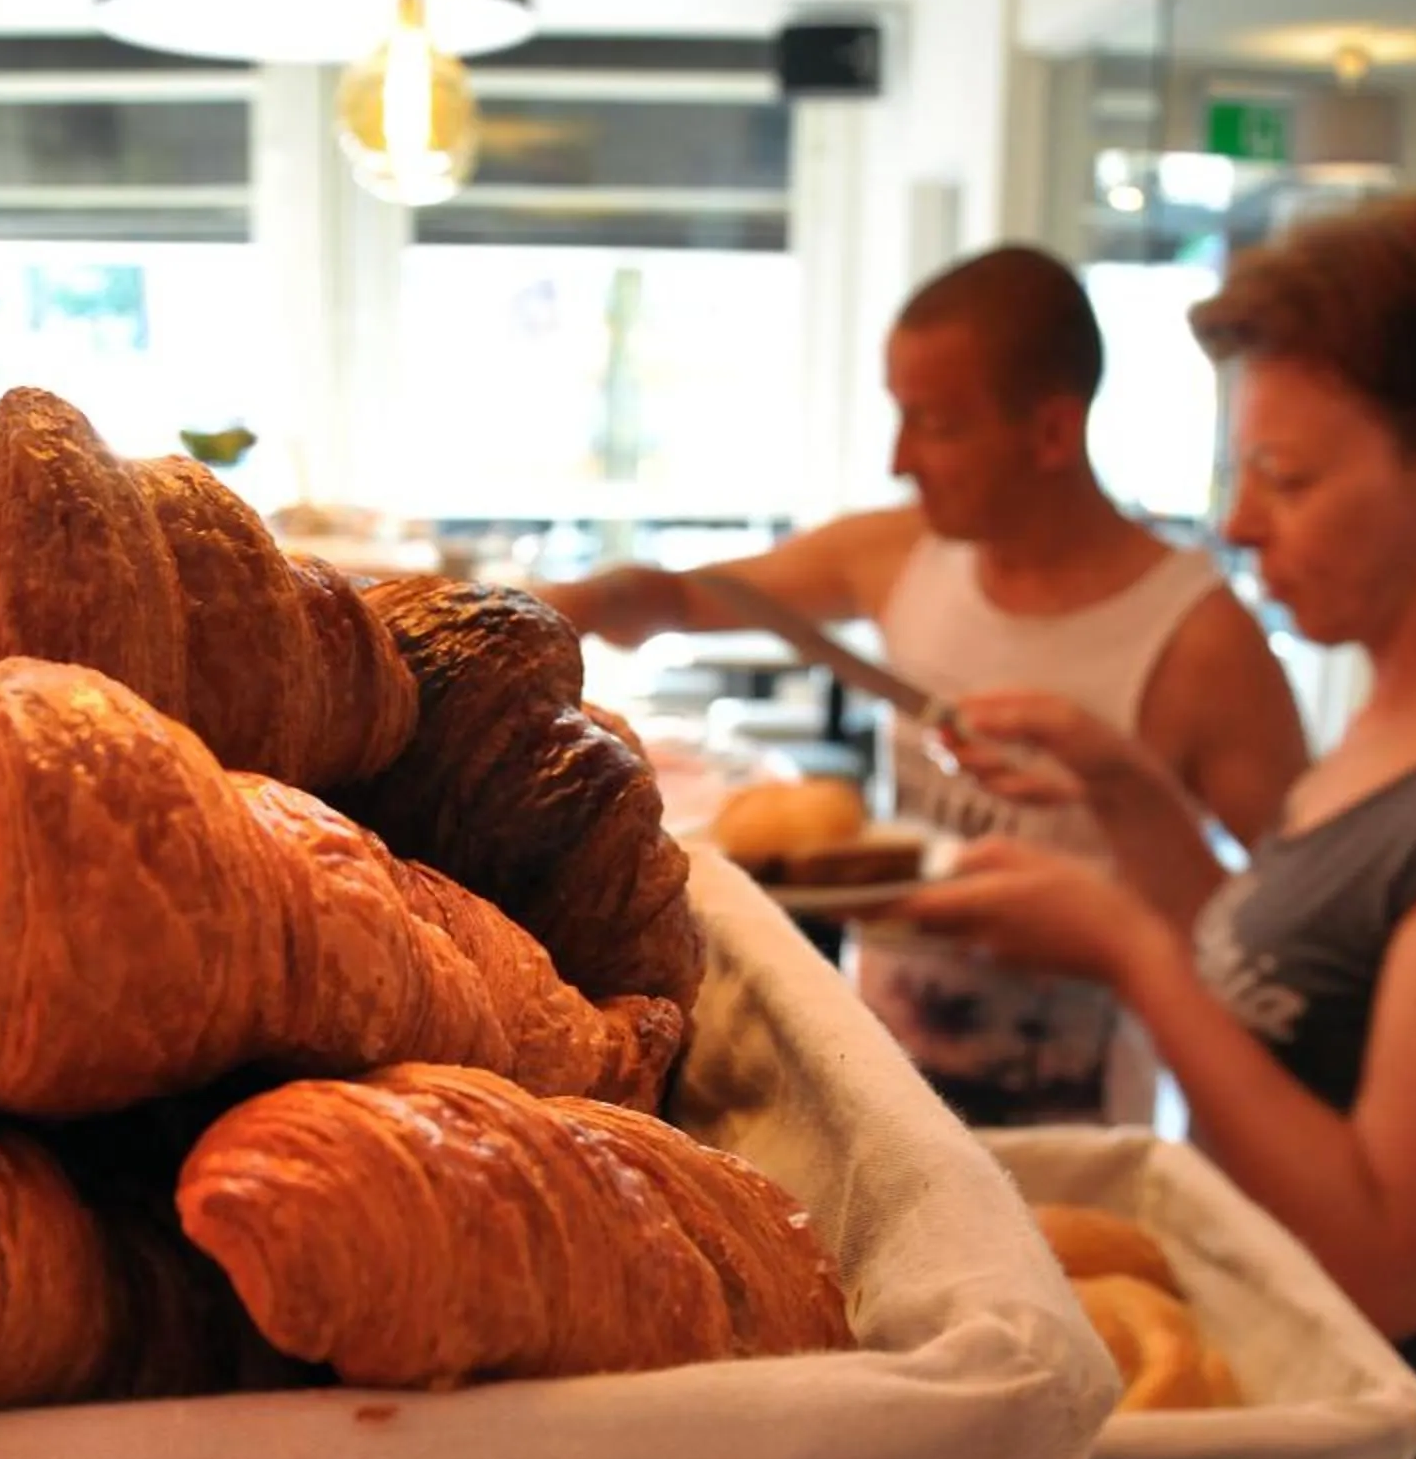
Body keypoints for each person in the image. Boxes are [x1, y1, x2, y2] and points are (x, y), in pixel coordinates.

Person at [896, 193, 1416, 1459]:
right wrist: (1123, 791)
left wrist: (1127, 951)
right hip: (1276, 1418)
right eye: (1241, 472)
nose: (1237, 524)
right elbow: (1273, 982)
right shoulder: (1395, 714)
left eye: (1288, 478)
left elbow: (1390, 1263)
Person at [548, 245, 1306, 1123]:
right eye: (899, 416)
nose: (901, 458)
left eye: (937, 424)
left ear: (1054, 432)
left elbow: (1281, 943)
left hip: (1075, 1119)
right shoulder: (901, 552)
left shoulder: (1201, 641)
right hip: (889, 1084)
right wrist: (583, 600)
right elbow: (686, 597)